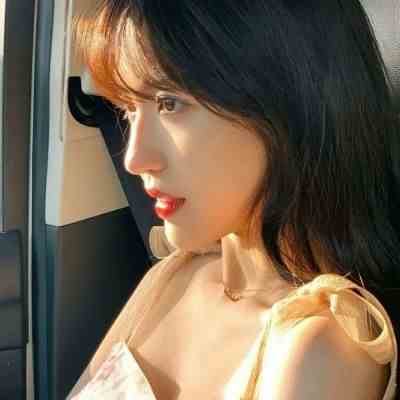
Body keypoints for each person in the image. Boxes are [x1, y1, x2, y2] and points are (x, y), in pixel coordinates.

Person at [67, 1, 399, 399]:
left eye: (170, 104)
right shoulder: (172, 275)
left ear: (288, 100)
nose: (135, 159)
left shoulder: (318, 348)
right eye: (128, 110)